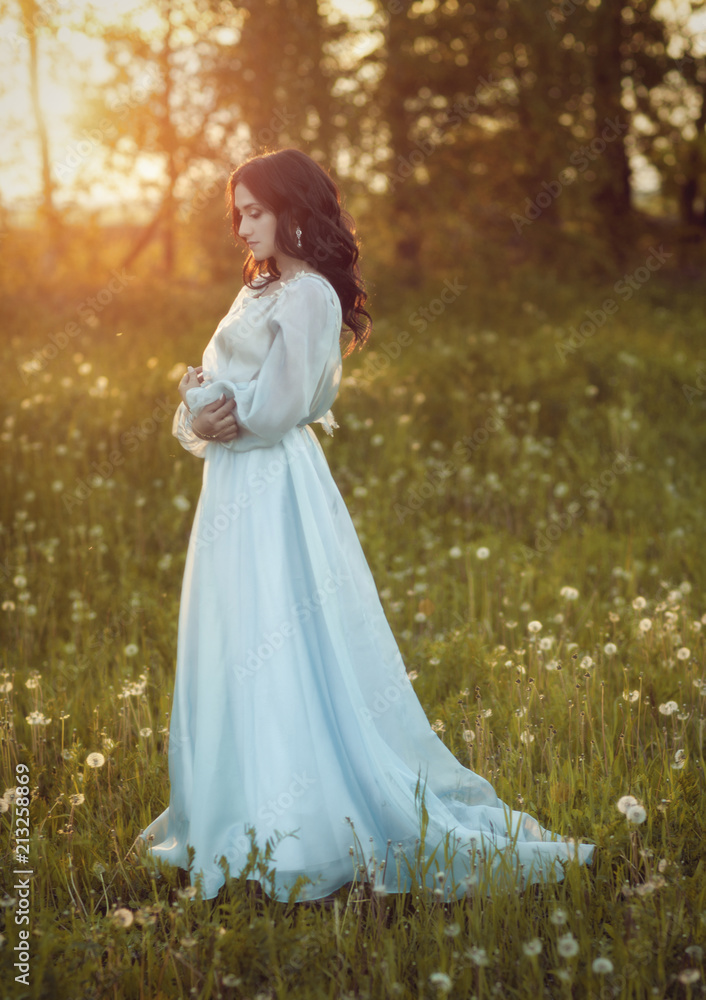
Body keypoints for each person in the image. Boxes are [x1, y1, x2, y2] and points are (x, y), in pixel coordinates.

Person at [138, 147, 595, 904]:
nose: (243, 226)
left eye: (256, 210)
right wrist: (200, 406)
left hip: (276, 486)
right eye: (238, 213)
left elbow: (280, 409)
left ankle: (304, 827)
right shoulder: (259, 289)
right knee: (240, 635)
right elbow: (228, 400)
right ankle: (244, 811)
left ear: (294, 210)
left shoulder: (309, 295)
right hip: (234, 486)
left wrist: (205, 403)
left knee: (283, 636)